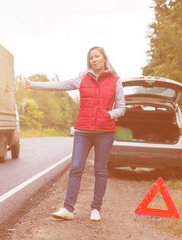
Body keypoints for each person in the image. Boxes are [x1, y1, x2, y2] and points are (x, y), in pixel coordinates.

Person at [21, 46, 125, 221]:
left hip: (104, 131)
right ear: (89, 61)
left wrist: (108, 114)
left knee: (100, 170)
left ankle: (96, 209)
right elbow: (58, 85)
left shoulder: (115, 80)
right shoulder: (81, 79)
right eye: (91, 57)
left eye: (97, 56)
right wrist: (33, 85)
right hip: (83, 130)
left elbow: (122, 108)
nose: (94, 60)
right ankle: (68, 208)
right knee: (76, 167)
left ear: (104, 58)